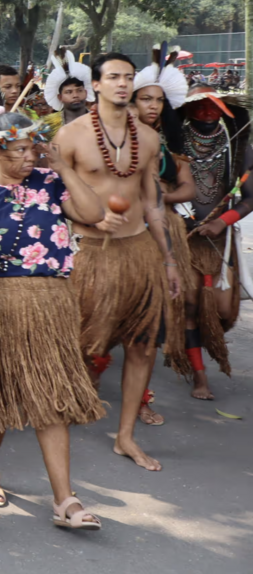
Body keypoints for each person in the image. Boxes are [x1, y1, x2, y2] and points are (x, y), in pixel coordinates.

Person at [0, 112, 106, 529]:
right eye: (20, 150)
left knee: (51, 397)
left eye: (34, 148)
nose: (30, 157)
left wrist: (60, 165)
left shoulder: (49, 182)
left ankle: (65, 498)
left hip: (50, 301)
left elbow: (94, 211)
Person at [54, 53, 180, 472]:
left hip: (139, 250)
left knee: (143, 346)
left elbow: (153, 202)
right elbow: (56, 198)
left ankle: (126, 436)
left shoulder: (147, 138)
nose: (123, 84)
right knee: (80, 342)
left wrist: (168, 260)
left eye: (128, 77)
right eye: (113, 77)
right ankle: (58, 416)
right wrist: (84, 214)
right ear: (96, 85)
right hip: (90, 252)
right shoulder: (70, 136)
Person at [132, 59, 196, 416]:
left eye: (158, 100)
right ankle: (89, 382)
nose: (153, 105)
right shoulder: (116, 140)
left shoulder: (170, 146)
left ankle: (142, 400)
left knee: (152, 321)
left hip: (161, 232)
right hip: (121, 233)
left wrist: (155, 198)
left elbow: (188, 188)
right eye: (145, 99)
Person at [178, 84, 251, 400]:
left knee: (221, 310)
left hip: (220, 242)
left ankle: (199, 351)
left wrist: (223, 221)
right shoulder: (174, 144)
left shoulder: (238, 145)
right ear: (187, 110)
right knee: (191, 308)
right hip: (184, 240)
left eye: (214, 106)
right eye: (200, 106)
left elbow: (249, 198)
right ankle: (199, 377)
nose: (207, 112)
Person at [44, 53, 93, 125]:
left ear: (86, 93)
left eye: (79, 90)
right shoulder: (48, 125)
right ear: (60, 97)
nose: (75, 95)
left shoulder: (100, 121)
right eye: (69, 92)